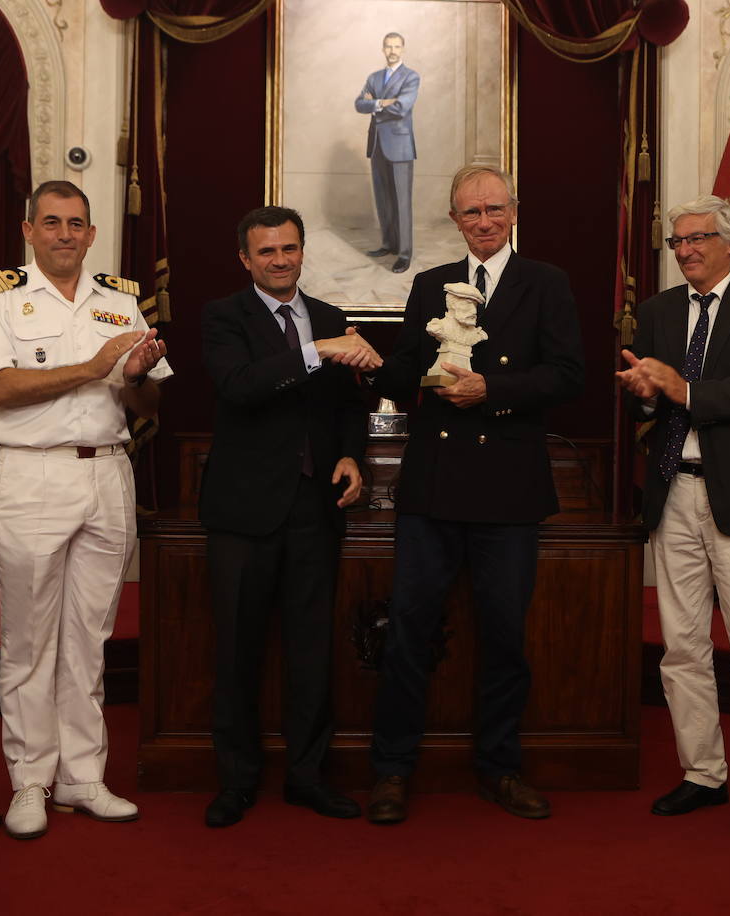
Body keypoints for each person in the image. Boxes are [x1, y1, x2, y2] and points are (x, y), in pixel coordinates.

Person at [366, 164, 585, 824]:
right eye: (470, 213)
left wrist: (495, 391)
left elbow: (569, 375)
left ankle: (499, 767)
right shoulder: (432, 284)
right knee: (407, 634)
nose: (483, 221)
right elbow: (408, 366)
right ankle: (393, 770)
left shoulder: (546, 284)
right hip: (433, 486)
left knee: (504, 637)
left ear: (514, 211)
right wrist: (370, 359)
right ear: (454, 220)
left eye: (494, 209)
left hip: (509, 487)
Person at [0, 180, 171, 840]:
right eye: (51, 223)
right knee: (28, 640)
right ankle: (29, 780)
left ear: (91, 234)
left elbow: (147, 409)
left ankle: (82, 776)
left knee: (90, 637)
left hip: (107, 474)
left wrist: (134, 376)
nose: (64, 234)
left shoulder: (120, 301)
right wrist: (92, 365)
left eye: (76, 224)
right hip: (32, 476)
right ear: (29, 231)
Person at [616, 195, 730, 836]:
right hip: (674, 495)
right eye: (678, 242)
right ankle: (702, 774)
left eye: (698, 239)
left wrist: (682, 390)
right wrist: (644, 396)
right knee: (681, 649)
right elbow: (646, 401)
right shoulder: (661, 312)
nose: (687, 250)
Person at [198, 206, 379, 828]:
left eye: (290, 249)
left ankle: (307, 777)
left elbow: (349, 404)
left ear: (303, 251)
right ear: (245, 260)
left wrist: (354, 453)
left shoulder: (330, 318)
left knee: (311, 652)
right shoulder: (224, 317)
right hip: (242, 514)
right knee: (238, 652)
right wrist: (314, 352)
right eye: (267, 252)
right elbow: (240, 386)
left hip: (313, 509)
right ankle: (237, 782)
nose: (281, 260)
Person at [354, 32, 420, 273]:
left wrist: (375, 103)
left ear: (403, 49)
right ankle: (389, 244)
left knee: (401, 201)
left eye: (397, 46)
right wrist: (383, 102)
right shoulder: (374, 77)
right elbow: (359, 104)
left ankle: (404, 254)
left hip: (401, 147)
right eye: (388, 46)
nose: (392, 50)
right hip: (377, 144)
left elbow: (403, 107)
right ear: (383, 49)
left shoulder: (411, 77)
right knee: (383, 199)